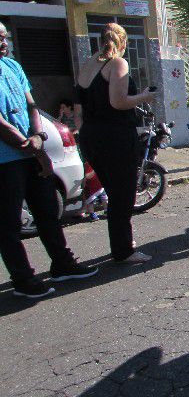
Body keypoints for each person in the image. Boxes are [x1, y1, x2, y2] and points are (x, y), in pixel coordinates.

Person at [0, 21, 98, 298]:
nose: (4, 43)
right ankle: (23, 279)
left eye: (5, 37)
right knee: (8, 223)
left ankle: (62, 263)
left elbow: (32, 104)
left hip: (31, 150)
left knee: (46, 211)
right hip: (5, 159)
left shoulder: (12, 67)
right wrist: (29, 145)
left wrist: (39, 136)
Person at [75, 23, 156, 263]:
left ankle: (122, 243)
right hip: (115, 137)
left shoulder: (88, 64)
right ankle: (123, 251)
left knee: (113, 191)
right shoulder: (117, 64)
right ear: (122, 43)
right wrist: (145, 96)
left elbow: (80, 108)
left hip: (91, 136)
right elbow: (118, 102)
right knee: (123, 194)